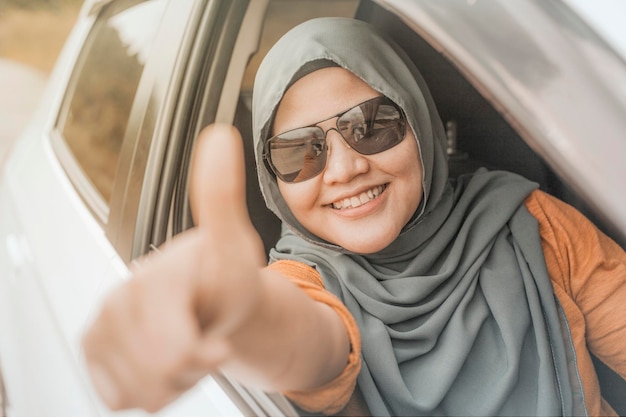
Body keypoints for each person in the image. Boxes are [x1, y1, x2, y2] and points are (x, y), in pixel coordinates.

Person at [82, 17, 626, 416]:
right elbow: (310, 341)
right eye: (300, 152)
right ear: (271, 179)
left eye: (372, 124)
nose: (344, 169)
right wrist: (245, 321)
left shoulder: (533, 222)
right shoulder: (304, 280)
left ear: (420, 123)